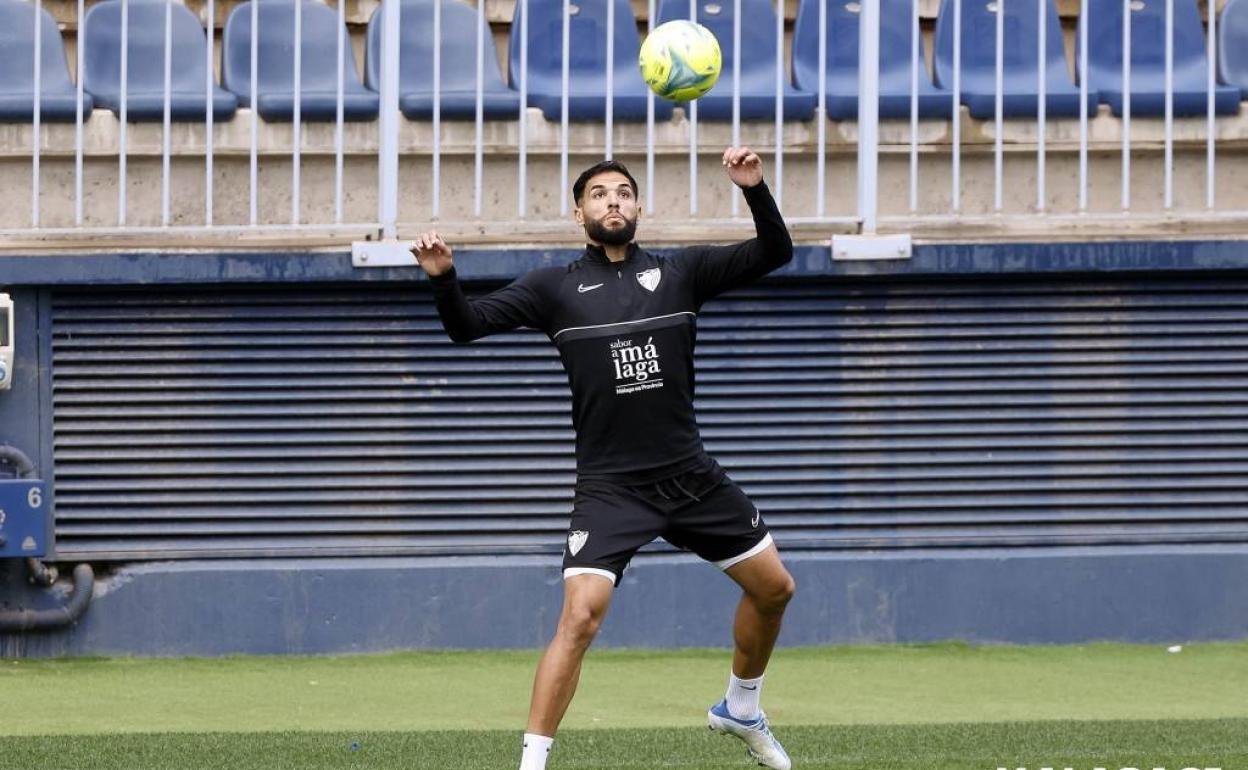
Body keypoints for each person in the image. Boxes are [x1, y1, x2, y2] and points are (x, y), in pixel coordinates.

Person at [413, 147, 798, 770]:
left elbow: (775, 251)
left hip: (691, 477)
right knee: (580, 618)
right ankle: (532, 764)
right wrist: (442, 278)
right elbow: (467, 325)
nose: (612, 200)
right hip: (612, 488)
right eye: (598, 194)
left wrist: (753, 188)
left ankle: (741, 707)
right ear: (579, 214)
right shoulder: (553, 288)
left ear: (638, 207)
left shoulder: (682, 273)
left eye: (623, 192)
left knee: (775, 589)